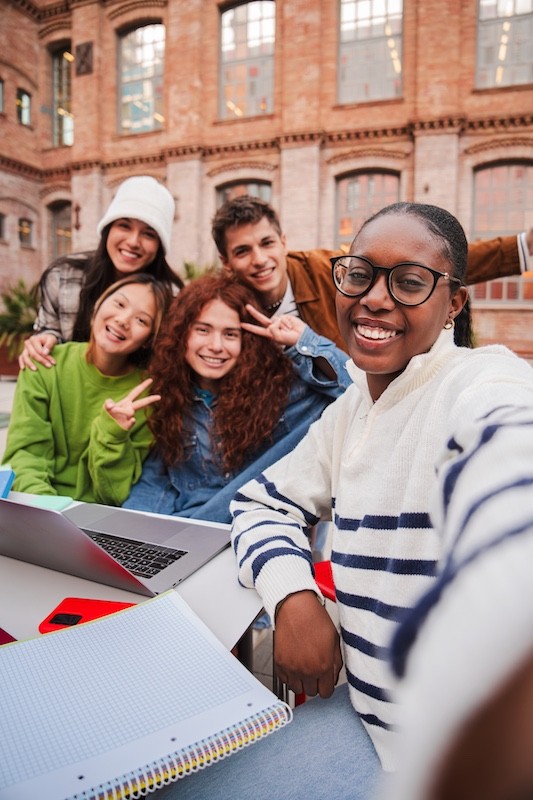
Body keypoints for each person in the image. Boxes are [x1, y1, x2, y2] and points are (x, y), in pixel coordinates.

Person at [151, 201, 533, 800]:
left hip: (436, 751)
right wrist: (294, 597)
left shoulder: (477, 382)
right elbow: (262, 503)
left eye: (409, 283)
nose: (375, 299)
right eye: (360, 275)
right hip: (361, 712)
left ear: (453, 303)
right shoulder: (350, 410)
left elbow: (514, 462)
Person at [123, 272, 351, 523]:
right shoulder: (172, 397)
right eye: (203, 330)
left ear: (246, 342)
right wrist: (134, 531)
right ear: (182, 334)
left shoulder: (281, 392)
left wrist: (303, 341)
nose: (216, 345)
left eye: (230, 334)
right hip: (189, 530)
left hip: (258, 532)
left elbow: (356, 390)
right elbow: (157, 481)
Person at [212, 194, 533, 350]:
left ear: (283, 242)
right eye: (242, 251)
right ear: (226, 261)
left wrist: (522, 248)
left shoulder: (327, 270)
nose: (259, 259)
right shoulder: (224, 306)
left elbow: (427, 264)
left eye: (267, 243)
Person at [2, 274, 170, 504]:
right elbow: (26, 457)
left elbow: (115, 493)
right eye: (119, 304)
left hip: (99, 519)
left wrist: (112, 434)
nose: (123, 320)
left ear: (149, 339)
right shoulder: (42, 363)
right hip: (39, 508)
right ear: (98, 305)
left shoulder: (147, 394)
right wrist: (50, 513)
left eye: (142, 320)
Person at [19, 175, 184, 370]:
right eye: (124, 225)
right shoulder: (63, 276)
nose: (133, 241)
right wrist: (43, 340)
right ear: (108, 229)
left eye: (149, 234)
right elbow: (49, 330)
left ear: (159, 246)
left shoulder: (171, 297)